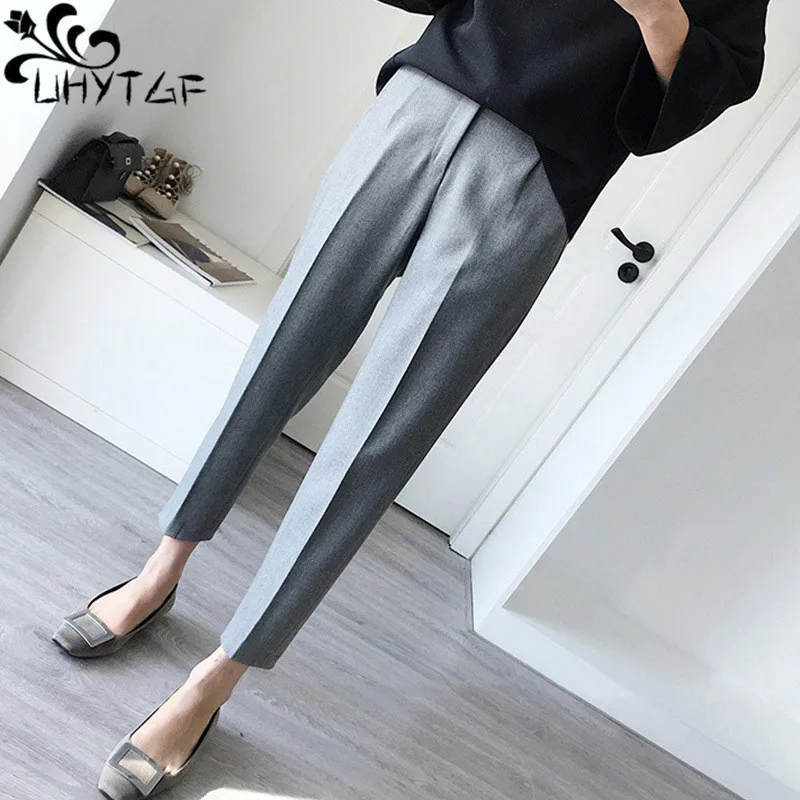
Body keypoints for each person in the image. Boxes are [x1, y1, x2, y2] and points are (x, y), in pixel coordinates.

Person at [51, 1, 770, 796]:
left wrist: (660, 15)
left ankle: (218, 677)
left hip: (538, 173)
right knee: (280, 355)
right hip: (424, 100)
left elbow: (711, 84)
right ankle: (160, 570)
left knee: (381, 439)